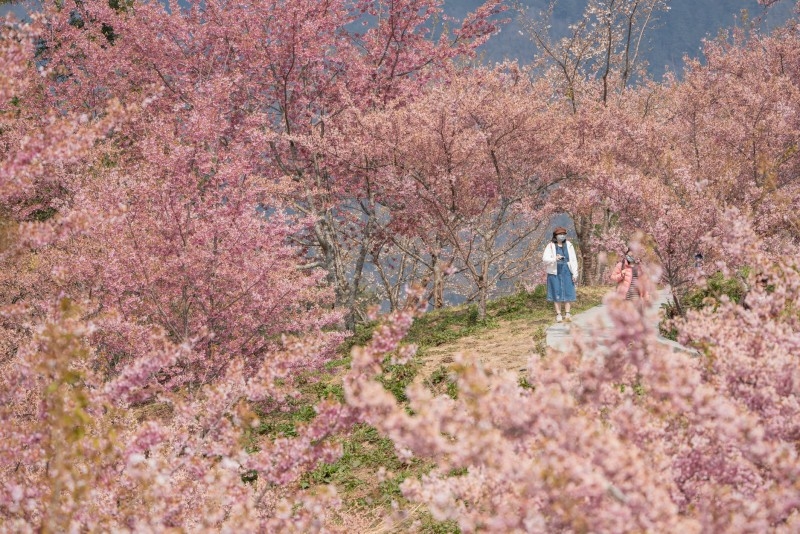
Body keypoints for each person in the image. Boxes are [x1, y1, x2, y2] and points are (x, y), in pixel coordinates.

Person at [542, 226, 578, 323]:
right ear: (555, 236)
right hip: (554, 271)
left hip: (567, 270)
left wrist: (575, 273)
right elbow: (545, 259)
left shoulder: (569, 245)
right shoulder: (550, 246)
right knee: (556, 292)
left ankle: (567, 313)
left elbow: (573, 259)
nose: (562, 236)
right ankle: (558, 314)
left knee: (568, 291)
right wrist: (555, 258)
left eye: (563, 234)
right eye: (560, 234)